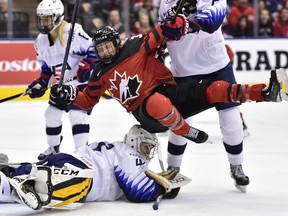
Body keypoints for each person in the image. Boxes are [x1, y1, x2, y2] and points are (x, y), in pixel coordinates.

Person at [48, 16, 287, 166]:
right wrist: (69, 97)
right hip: (147, 115)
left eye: (108, 46)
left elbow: (158, 33)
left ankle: (266, 92)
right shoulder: (98, 73)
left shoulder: (134, 46)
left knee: (215, 89)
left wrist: (173, 24)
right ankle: (185, 130)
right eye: (100, 49)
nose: (105, 52)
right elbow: (87, 100)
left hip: (171, 94)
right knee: (154, 102)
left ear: (116, 42)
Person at [158, 0, 281, 193]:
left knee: (230, 114)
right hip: (183, 69)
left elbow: (213, 20)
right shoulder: (166, 2)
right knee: (180, 120)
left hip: (216, 64)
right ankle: (173, 169)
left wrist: (187, 25)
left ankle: (236, 165)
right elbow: (162, 30)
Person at [0, 125, 191, 211]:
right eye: (146, 146)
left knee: (32, 175)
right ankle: (17, 182)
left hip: (68, 160)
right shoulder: (130, 154)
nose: (147, 151)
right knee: (77, 189)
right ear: (135, 141)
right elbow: (136, 191)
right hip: (80, 169)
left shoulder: (120, 150)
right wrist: (163, 188)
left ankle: (8, 174)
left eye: (150, 148)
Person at [25, 0, 98, 160]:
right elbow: (46, 68)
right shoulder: (40, 41)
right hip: (61, 85)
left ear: (57, 18)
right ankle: (53, 147)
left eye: (47, 18)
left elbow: (94, 49)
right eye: (41, 18)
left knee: (77, 115)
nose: (43, 22)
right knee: (51, 114)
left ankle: (82, 152)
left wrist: (87, 66)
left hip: (79, 84)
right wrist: (41, 83)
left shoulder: (73, 32)